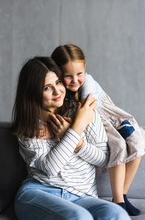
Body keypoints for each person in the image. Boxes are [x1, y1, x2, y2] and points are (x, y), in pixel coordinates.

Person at [11, 56, 130, 220]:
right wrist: (77, 126)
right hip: (40, 192)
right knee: (79, 217)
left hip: (83, 197)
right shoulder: (30, 128)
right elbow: (51, 168)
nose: (57, 91)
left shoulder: (82, 110)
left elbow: (104, 160)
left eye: (58, 82)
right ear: (32, 92)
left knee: (117, 214)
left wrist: (78, 142)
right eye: (47, 87)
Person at [51, 44, 145, 216]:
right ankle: (118, 201)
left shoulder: (88, 82)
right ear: (58, 74)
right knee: (119, 147)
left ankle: (123, 194)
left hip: (103, 115)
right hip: (93, 123)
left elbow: (86, 111)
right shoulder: (59, 91)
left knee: (138, 142)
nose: (75, 80)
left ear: (85, 69)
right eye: (68, 76)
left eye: (79, 74)